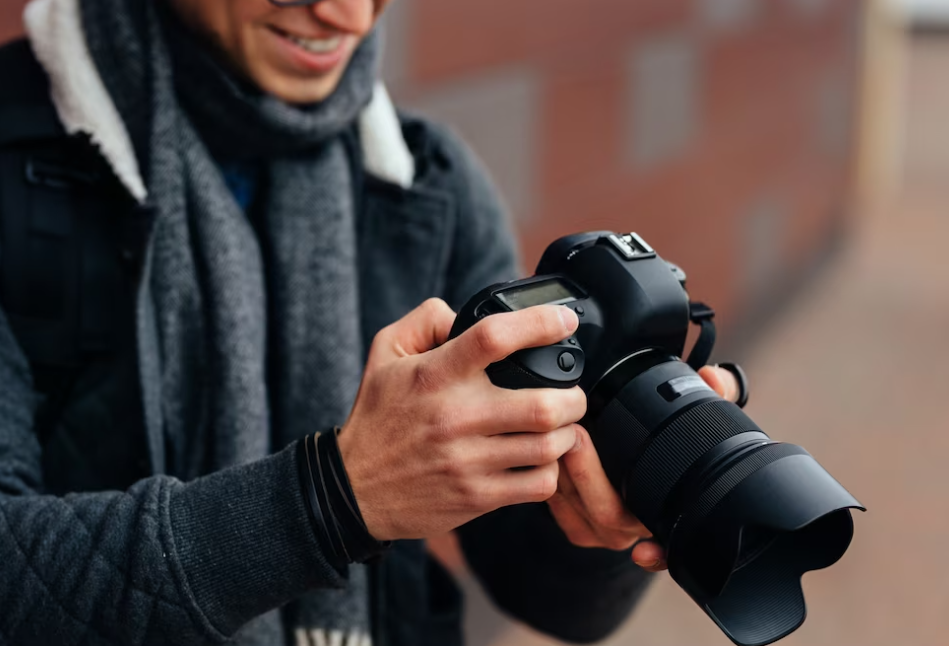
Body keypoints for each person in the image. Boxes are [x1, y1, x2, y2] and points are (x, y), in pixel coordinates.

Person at [0, 0, 744, 644]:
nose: (348, 17)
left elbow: (548, 598)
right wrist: (332, 498)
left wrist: (610, 513)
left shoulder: (428, 184)